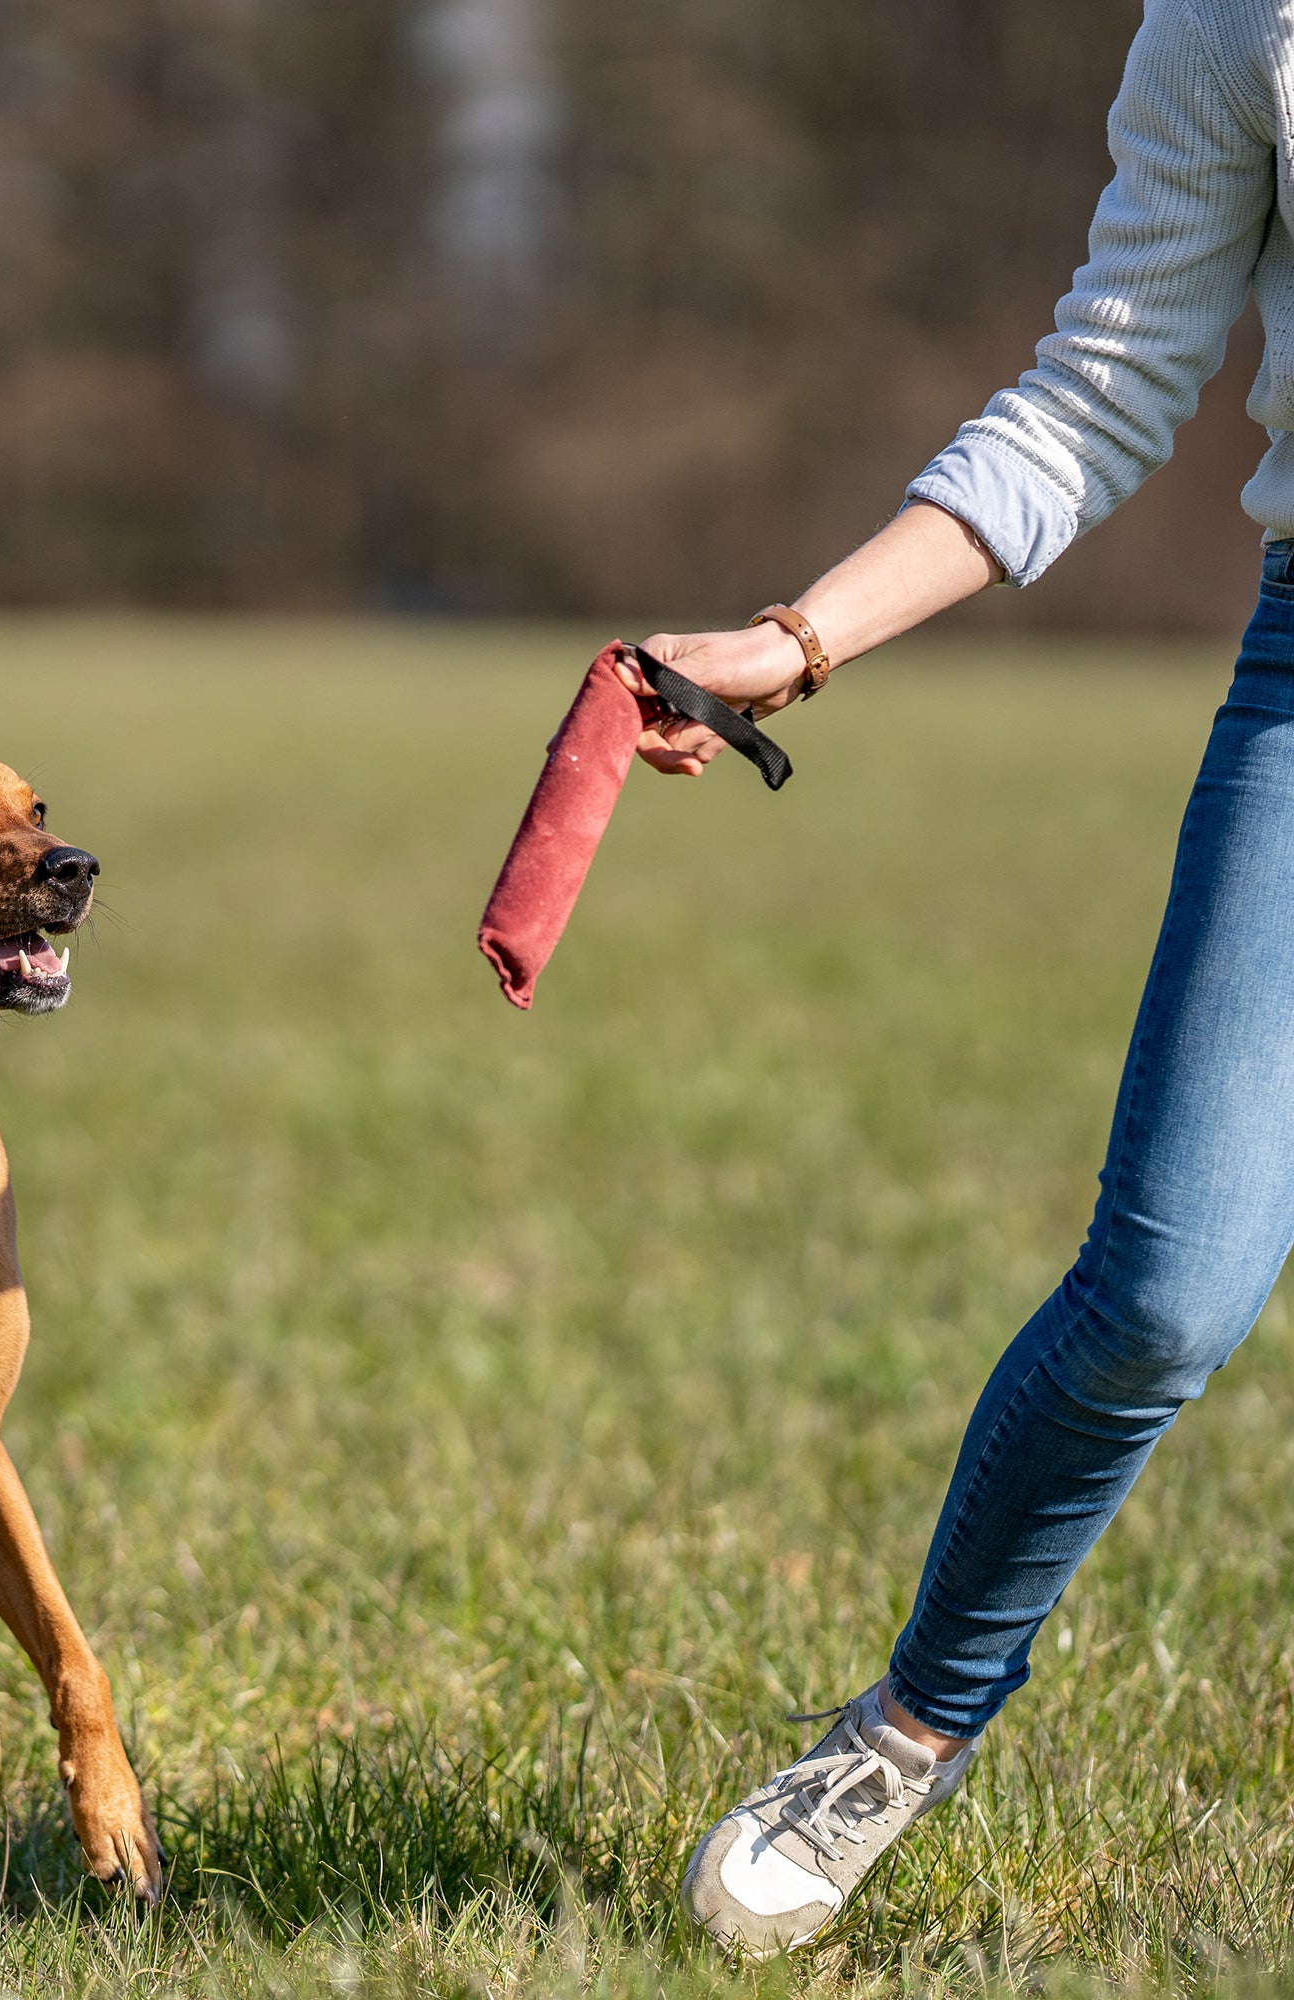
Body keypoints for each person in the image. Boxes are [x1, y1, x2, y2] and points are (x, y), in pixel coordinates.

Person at [644, 0, 1294, 1957]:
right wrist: (802, 635)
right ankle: (904, 1730)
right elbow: (1103, 383)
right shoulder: (1228, 22)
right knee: (1164, 1287)